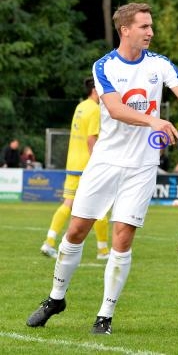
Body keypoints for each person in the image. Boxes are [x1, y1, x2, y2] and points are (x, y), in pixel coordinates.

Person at [27, 2, 178, 335]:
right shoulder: (104, 66)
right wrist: (154, 120)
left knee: (123, 236)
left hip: (142, 165)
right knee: (76, 231)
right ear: (125, 30)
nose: (151, 32)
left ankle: (105, 315)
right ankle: (56, 298)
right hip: (104, 162)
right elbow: (115, 109)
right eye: (144, 26)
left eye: (151, 26)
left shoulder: (160, 64)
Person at [39, 77, 110, 261]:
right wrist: (98, 163)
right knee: (100, 207)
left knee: (67, 204)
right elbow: (90, 139)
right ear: (95, 90)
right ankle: (103, 251)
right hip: (87, 166)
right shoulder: (95, 109)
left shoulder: (80, 107)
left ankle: (49, 242)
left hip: (73, 163)